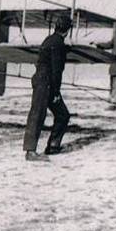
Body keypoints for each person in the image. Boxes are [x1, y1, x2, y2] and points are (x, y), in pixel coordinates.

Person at [23, 14, 72, 161]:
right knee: (37, 114)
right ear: (67, 30)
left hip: (42, 80)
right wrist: (56, 92)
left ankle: (53, 146)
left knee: (63, 115)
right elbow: (56, 70)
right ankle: (30, 152)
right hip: (46, 83)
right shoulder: (58, 44)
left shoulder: (50, 40)